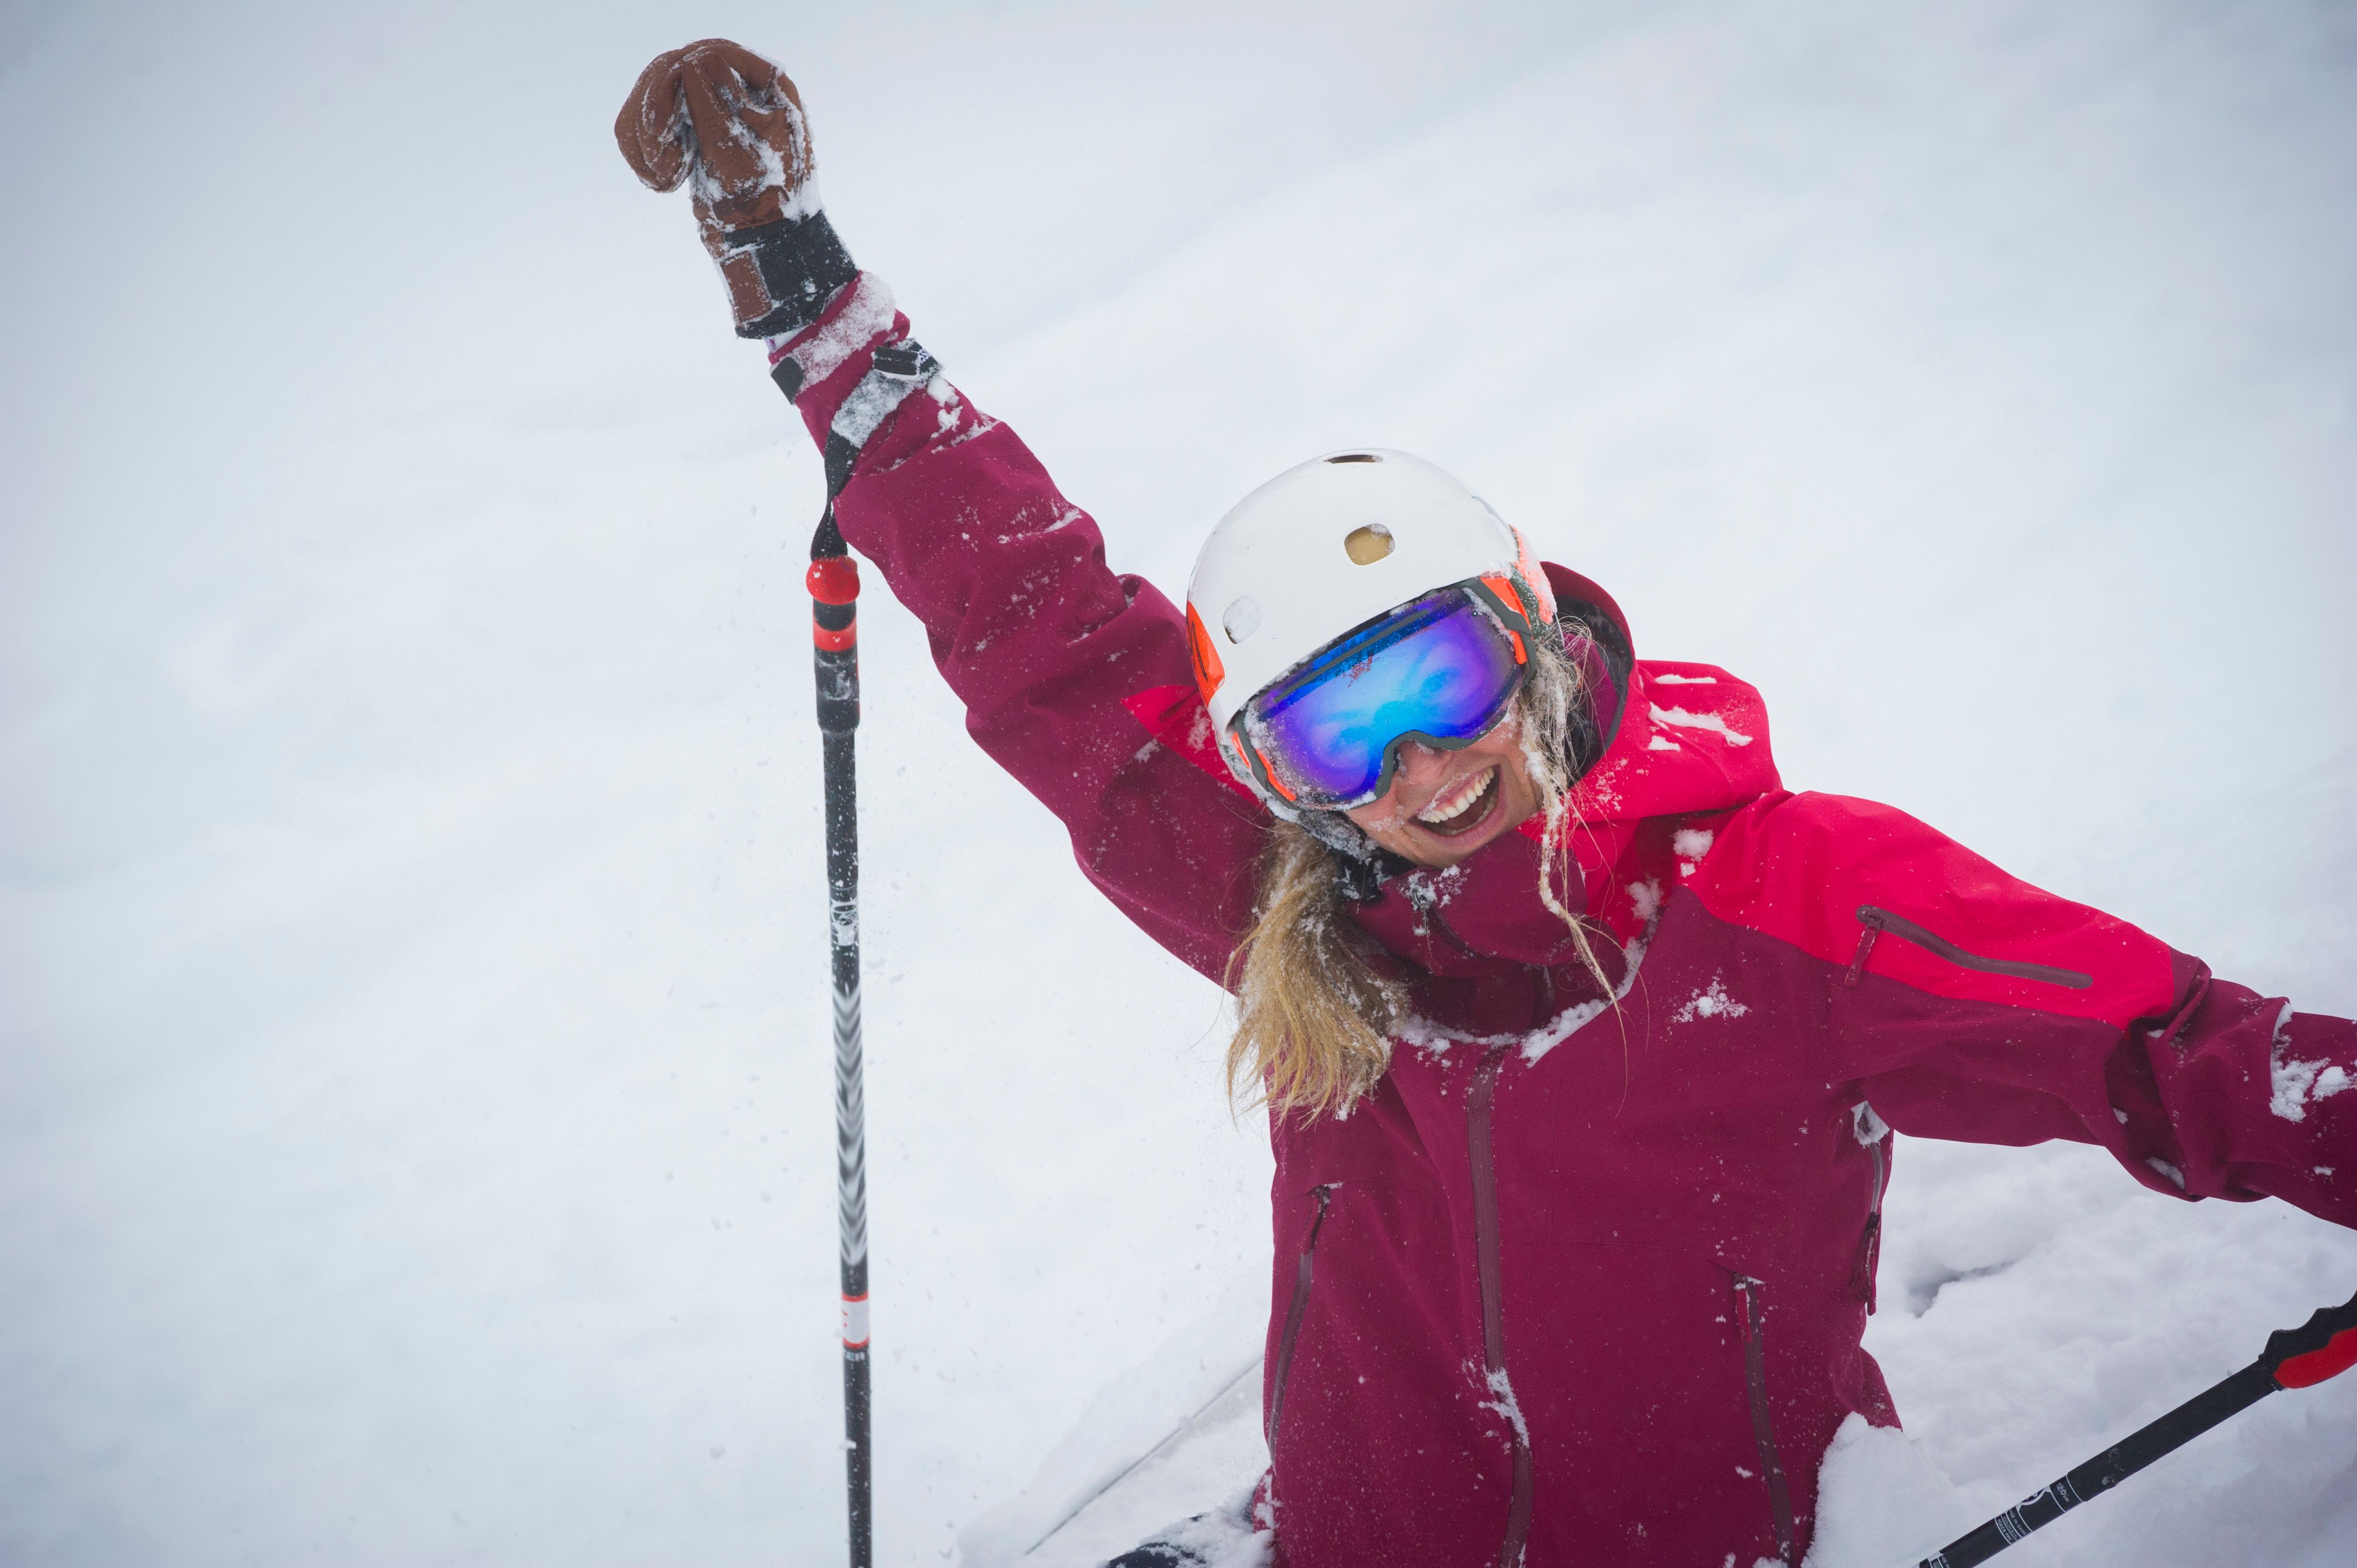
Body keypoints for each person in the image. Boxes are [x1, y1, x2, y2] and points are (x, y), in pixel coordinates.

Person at [616, 40, 2357, 1568]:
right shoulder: (1299, 906)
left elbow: (2178, 1050)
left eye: (1442, 684)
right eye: (1332, 739)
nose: (1417, 771)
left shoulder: (1775, 901)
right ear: (1262, 770)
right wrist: (809, 302)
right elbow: (1049, 633)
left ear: (1525, 638)